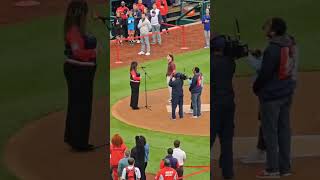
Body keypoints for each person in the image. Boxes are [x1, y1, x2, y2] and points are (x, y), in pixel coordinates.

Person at [254, 17, 297, 178]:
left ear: (273, 31)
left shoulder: (272, 49)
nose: (265, 27)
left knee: (270, 132)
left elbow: (265, 73)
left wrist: (256, 87)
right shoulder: (289, 44)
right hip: (287, 92)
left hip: (272, 95)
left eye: (268, 26)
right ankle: (285, 168)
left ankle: (273, 168)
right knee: (284, 131)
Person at [63, 0, 97, 152]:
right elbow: (78, 53)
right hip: (79, 72)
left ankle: (74, 138)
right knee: (81, 106)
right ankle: (79, 141)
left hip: (80, 71)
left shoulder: (75, 29)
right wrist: (94, 53)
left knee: (77, 104)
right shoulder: (74, 30)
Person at [211, 35, 237, 179]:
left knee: (210, 139)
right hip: (228, 104)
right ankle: (228, 174)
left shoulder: (212, 63)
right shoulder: (230, 62)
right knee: (227, 143)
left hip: (216, 105)